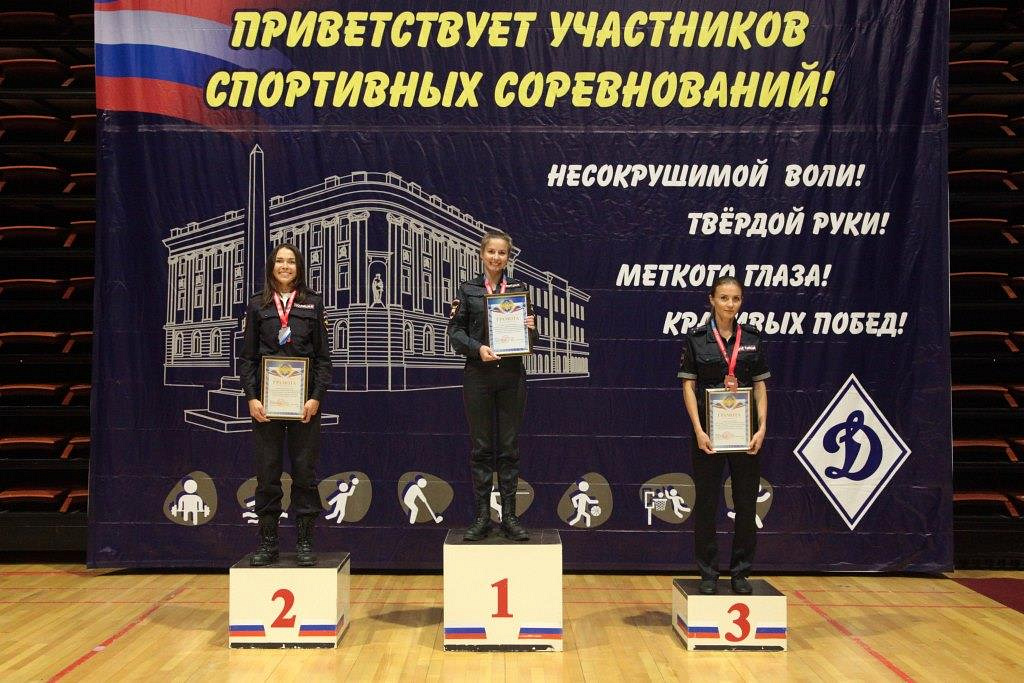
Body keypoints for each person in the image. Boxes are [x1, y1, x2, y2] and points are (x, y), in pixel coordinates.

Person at [239, 243, 332, 567]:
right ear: (271, 266)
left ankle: (305, 543)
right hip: (267, 408)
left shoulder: (312, 304)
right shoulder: (257, 305)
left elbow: (323, 359)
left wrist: (315, 397)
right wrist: (252, 397)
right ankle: (268, 544)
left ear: (299, 267)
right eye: (279, 261)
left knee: (304, 474)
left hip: (304, 406)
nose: (285, 266)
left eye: (291, 261)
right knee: (267, 476)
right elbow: (248, 358)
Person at [678, 276, 769, 595]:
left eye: (736, 299)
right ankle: (708, 572)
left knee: (746, 504)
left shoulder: (752, 338)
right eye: (724, 298)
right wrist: (698, 430)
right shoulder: (697, 338)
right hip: (709, 435)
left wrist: (762, 428)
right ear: (712, 300)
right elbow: (688, 386)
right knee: (706, 504)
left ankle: (741, 572)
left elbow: (760, 386)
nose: (730, 304)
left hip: (745, 436)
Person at [447, 229, 538, 541]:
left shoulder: (518, 289)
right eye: (491, 252)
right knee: (482, 448)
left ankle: (510, 517)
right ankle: (483, 517)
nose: (496, 257)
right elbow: (455, 333)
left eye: (502, 253)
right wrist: (478, 348)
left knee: (509, 448)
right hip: (478, 376)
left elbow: (531, 340)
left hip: (511, 376)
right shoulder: (468, 289)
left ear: (507, 257)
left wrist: (530, 328)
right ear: (482, 254)